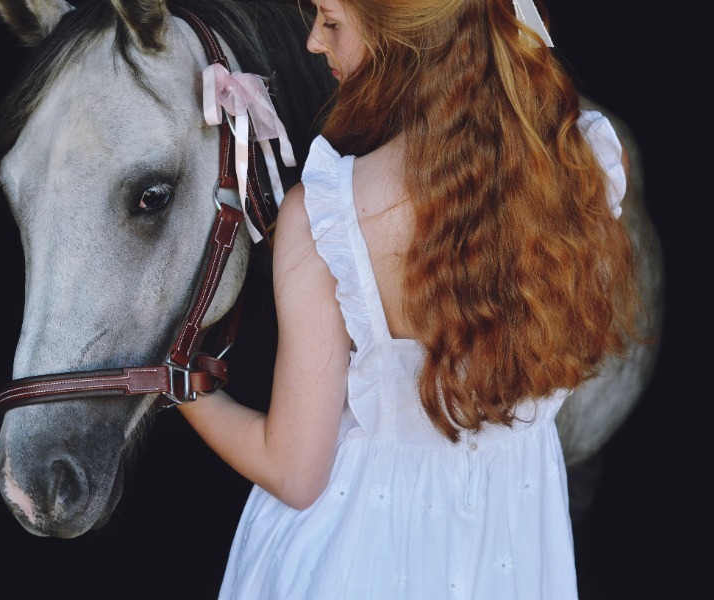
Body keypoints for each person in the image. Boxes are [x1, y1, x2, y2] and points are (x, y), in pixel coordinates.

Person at [178, 0, 644, 597]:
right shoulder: (587, 164)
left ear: (405, 38)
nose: (313, 45)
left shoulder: (327, 218)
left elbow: (294, 472)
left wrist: (185, 387)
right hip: (516, 545)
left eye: (331, 20)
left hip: (357, 553)